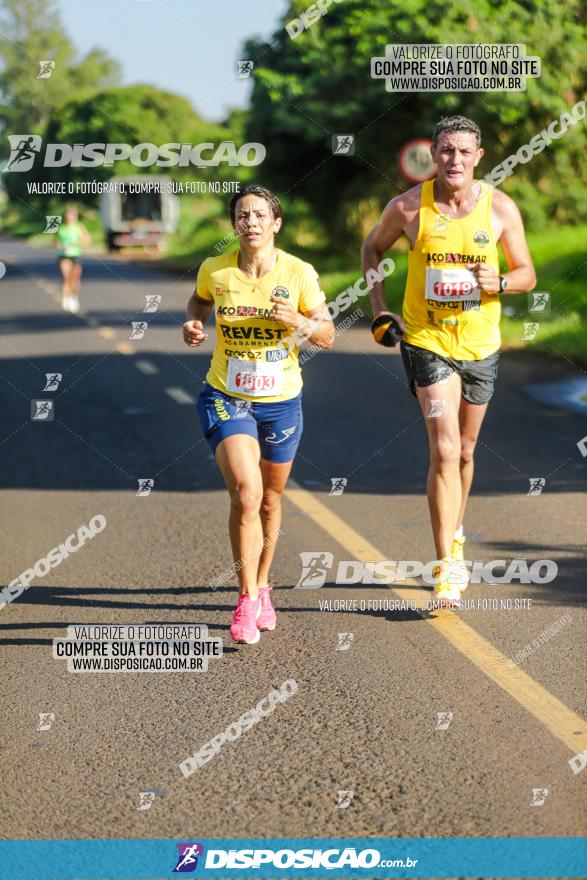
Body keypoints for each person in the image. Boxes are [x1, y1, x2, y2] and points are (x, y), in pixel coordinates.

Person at [361, 116, 536, 607]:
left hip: (480, 346)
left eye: (463, 151)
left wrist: (496, 282)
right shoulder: (408, 208)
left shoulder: (500, 208)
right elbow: (371, 247)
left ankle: (454, 533)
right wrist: (380, 308)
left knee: (465, 451)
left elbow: (527, 274)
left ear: (479, 157)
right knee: (443, 447)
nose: (454, 160)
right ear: (432, 155)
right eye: (445, 151)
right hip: (426, 340)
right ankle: (445, 565)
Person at [183, 185, 334, 643]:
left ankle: (263, 585)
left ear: (276, 223)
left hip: (282, 401)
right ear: (234, 224)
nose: (250, 222)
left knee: (271, 499)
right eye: (242, 215)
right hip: (227, 395)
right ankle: (247, 599)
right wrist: (193, 323)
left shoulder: (299, 272)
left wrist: (299, 323)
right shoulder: (216, 270)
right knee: (247, 494)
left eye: (259, 215)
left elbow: (326, 335)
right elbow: (199, 302)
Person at [56, 206, 91, 314]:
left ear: (75, 216)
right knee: (66, 277)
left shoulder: (79, 227)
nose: (70, 217)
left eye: (72, 214)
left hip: (76, 254)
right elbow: (56, 242)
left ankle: (73, 297)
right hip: (64, 255)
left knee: (74, 278)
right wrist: (60, 247)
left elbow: (87, 240)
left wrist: (77, 244)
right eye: (68, 214)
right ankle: (65, 298)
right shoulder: (60, 227)